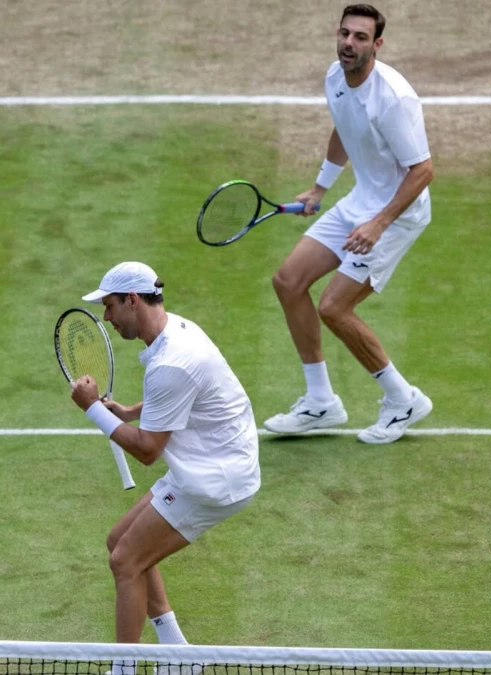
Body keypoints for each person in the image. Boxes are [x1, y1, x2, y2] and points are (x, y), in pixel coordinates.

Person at [264, 3, 436, 445]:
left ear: (377, 45)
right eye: (344, 34)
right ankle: (321, 402)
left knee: (335, 308)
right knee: (288, 281)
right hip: (361, 202)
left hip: (398, 215)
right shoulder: (335, 77)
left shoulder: (394, 99)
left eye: (360, 37)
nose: (348, 43)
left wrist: (378, 225)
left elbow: (423, 171)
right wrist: (320, 189)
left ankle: (403, 400)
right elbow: (344, 127)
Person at [69, 261, 260, 657]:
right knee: (119, 541)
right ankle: (178, 654)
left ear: (133, 301)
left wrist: (93, 410)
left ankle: (125, 669)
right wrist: (128, 412)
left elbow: (147, 451)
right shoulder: (179, 330)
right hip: (214, 459)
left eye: (109, 306)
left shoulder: (172, 362)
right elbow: (182, 398)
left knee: (126, 562)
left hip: (213, 480)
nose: (106, 318)